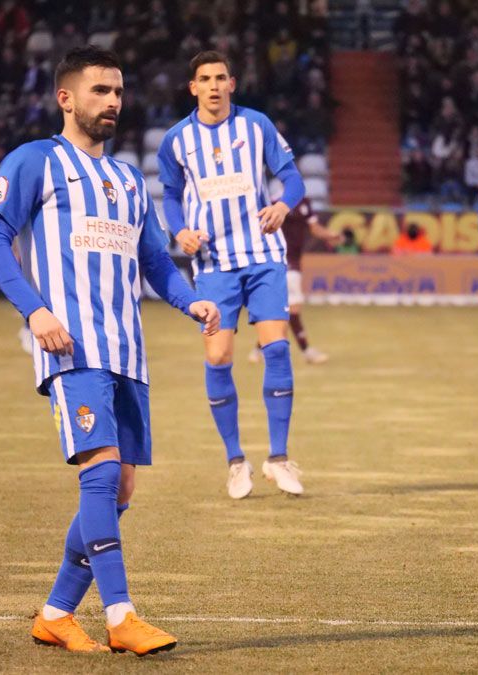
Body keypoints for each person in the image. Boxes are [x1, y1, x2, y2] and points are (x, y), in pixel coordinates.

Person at [0, 46, 220, 657]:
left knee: (119, 492)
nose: (112, 101)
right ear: (66, 98)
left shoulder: (128, 179)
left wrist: (189, 301)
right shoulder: (35, 161)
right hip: (71, 347)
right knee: (102, 471)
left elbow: (156, 262)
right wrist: (35, 310)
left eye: (118, 91)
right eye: (99, 91)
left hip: (128, 355)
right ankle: (121, 617)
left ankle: (57, 613)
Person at [157, 51, 307, 500]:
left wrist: (283, 205)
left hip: (263, 256)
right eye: (205, 79)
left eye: (221, 78)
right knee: (219, 357)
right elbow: (169, 195)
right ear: (193, 88)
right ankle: (235, 461)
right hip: (213, 264)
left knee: (276, 349)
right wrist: (180, 230)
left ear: (232, 83)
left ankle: (278, 459)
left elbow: (292, 178)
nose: (214, 86)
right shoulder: (176, 140)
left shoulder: (256, 125)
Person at [250, 195, 340, 364]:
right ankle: (306, 351)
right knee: (292, 309)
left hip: (288, 262)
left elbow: (314, 228)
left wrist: (330, 235)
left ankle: (259, 349)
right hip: (284, 262)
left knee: (282, 309)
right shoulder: (273, 201)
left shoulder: (302, 201)